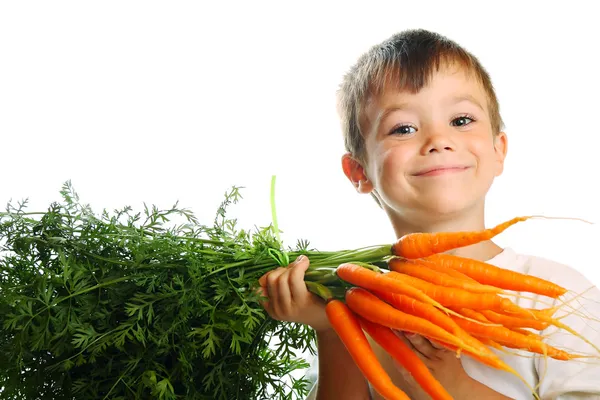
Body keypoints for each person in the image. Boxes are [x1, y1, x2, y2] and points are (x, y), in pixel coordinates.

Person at [258, 28, 600, 399]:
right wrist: (331, 331)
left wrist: (455, 387)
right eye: (403, 128)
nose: (438, 140)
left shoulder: (559, 297)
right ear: (359, 172)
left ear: (498, 149)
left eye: (461, 120)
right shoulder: (351, 306)